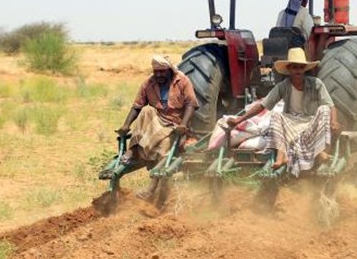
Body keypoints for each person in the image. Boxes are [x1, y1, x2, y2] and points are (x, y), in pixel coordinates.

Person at [226, 48, 339, 176]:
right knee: (276, 115)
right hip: (291, 121)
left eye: (301, 67)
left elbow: (330, 105)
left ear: (304, 69)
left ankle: (320, 150)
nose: (298, 70)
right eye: (294, 67)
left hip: (310, 121)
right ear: (289, 69)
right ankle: (282, 155)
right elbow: (263, 105)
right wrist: (239, 120)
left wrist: (334, 121)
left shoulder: (316, 84)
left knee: (324, 109)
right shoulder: (283, 86)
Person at [115, 55, 199, 199]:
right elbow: (137, 106)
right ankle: (132, 150)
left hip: (175, 124)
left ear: (169, 70)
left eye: (162, 71)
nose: (159, 75)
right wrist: (126, 125)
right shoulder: (149, 83)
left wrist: (184, 124)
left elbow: (191, 104)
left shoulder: (182, 81)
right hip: (157, 120)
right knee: (147, 110)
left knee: (165, 145)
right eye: (156, 71)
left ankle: (152, 187)